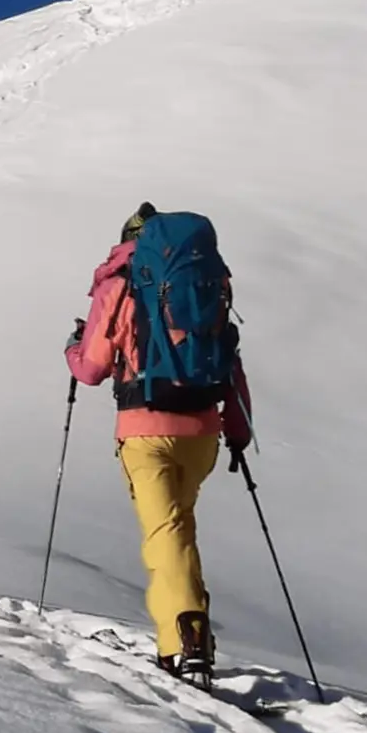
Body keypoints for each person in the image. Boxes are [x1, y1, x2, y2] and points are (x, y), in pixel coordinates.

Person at [64, 202, 252, 681]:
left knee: (165, 534)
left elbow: (90, 369)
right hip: (203, 430)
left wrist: (72, 347)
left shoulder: (119, 284)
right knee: (179, 529)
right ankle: (193, 636)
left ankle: (184, 639)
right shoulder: (205, 278)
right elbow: (228, 353)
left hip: (144, 429)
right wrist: (237, 429)